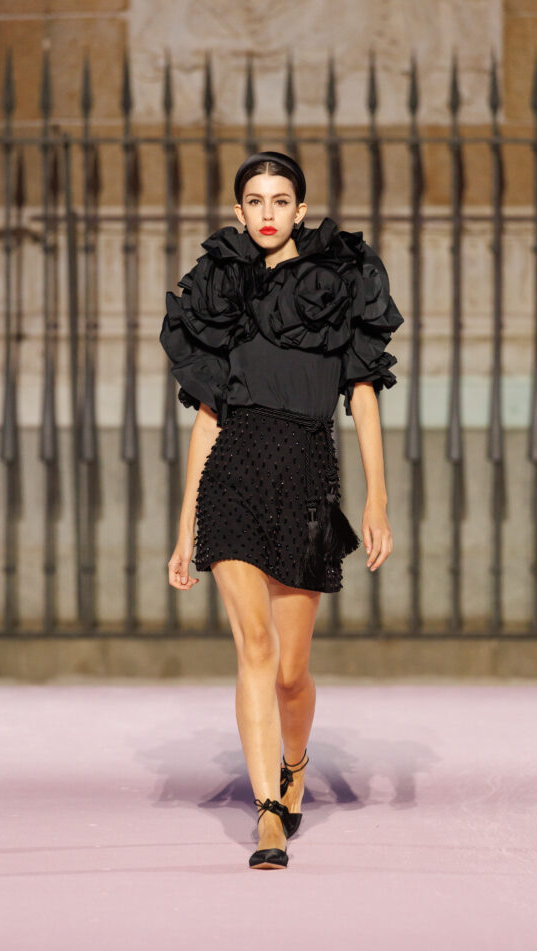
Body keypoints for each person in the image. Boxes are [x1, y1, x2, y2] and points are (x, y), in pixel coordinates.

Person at [160, 151, 404, 870]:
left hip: (305, 479)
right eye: (255, 201)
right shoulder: (219, 289)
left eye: (280, 200)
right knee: (255, 651)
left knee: (292, 671)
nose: (267, 213)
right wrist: (184, 528)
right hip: (233, 477)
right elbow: (207, 418)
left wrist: (377, 498)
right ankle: (268, 812)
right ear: (238, 212)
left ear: (300, 209)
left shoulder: (342, 281)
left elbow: (362, 397)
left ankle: (294, 765)